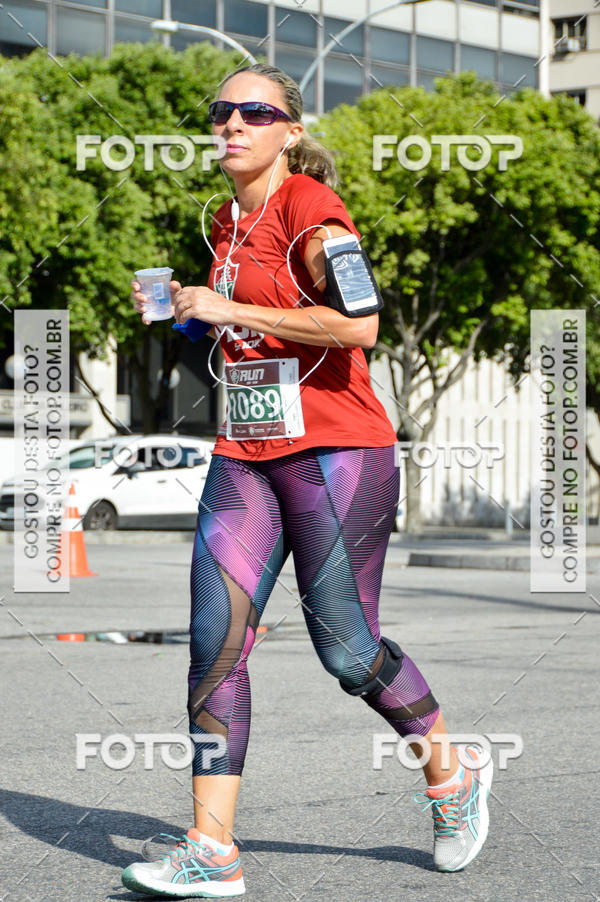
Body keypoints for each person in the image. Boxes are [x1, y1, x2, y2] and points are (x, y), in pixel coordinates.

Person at [122, 63, 493, 899]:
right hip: (245, 453)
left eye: (254, 112)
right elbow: (247, 335)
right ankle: (211, 851)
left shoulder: (314, 215)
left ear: (290, 130)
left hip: (338, 454)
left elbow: (359, 325)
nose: (232, 123)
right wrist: (193, 309)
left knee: (348, 651)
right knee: (215, 648)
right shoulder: (224, 222)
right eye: (221, 111)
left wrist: (235, 311)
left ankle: (452, 775)